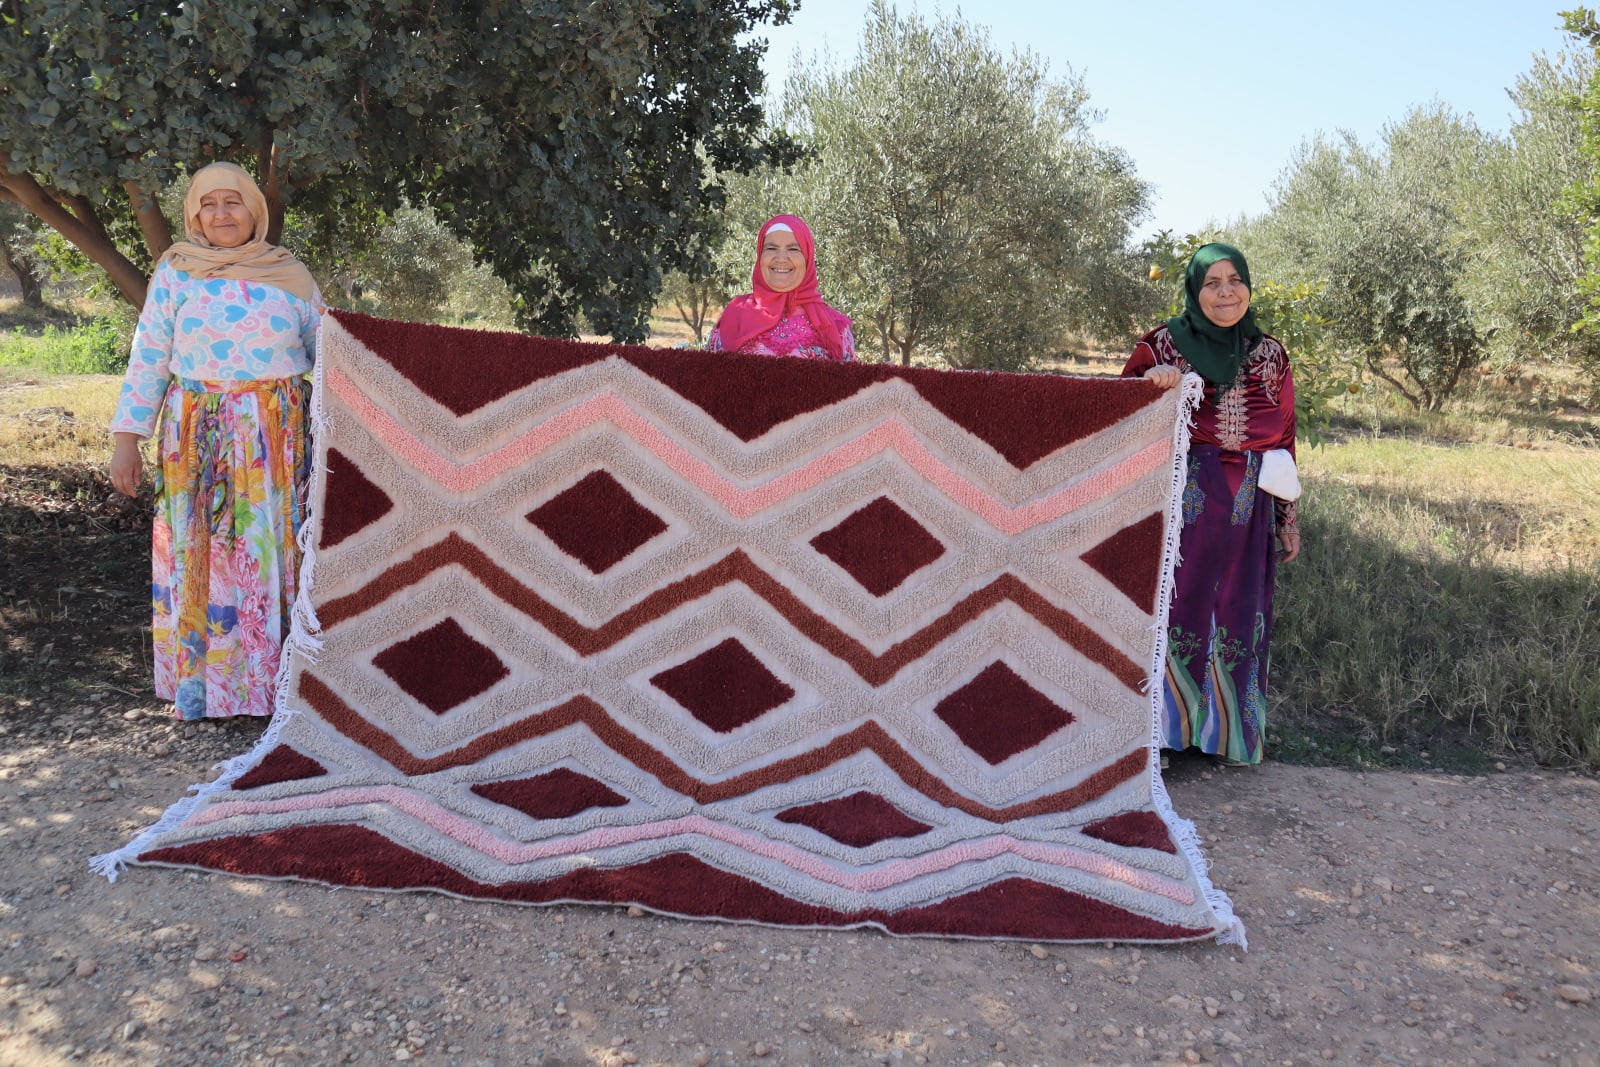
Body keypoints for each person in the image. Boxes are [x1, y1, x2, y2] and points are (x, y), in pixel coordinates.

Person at [108, 162, 322, 721]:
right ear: (194, 213)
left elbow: (332, 359)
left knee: (268, 552)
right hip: (194, 436)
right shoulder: (177, 272)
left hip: (275, 439)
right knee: (201, 552)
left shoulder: (290, 275)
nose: (222, 214)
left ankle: (273, 687)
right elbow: (149, 358)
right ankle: (209, 689)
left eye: (234, 202)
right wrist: (127, 440)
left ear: (256, 210)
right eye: (209, 203)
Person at [1123, 242, 1300, 766]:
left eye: (1234, 280)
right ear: (1194, 291)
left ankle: (1223, 735)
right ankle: (1162, 735)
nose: (1226, 292)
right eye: (1211, 283)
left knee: (1239, 613)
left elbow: (1285, 437)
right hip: (1181, 504)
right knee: (1178, 608)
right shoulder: (1160, 345)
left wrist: (1289, 520)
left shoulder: (1271, 353)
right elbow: (1118, 418)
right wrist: (1154, 388)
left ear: (1248, 285)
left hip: (1251, 504)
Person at [706, 214, 856, 361]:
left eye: (793, 249)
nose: (781, 258)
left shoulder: (835, 326)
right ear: (760, 255)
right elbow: (707, 379)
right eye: (771, 248)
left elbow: (851, 384)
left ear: (807, 258)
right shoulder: (734, 316)